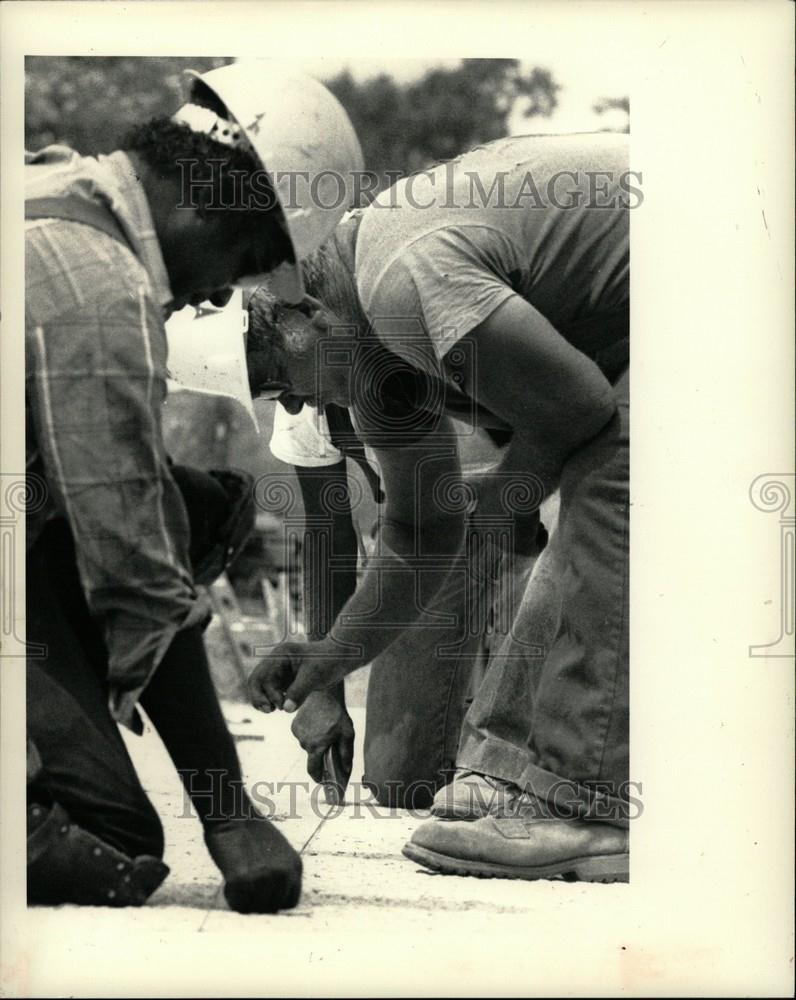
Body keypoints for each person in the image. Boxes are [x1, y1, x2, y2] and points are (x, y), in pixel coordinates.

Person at [247, 131, 631, 882]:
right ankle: (528, 772)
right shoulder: (377, 361)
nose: (291, 402)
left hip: (726, 264)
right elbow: (421, 535)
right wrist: (327, 658)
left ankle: (589, 807)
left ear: (303, 315)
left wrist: (505, 490)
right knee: (589, 484)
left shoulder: (400, 280)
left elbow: (578, 408)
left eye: (277, 375)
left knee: (610, 482)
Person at [25, 60, 363, 911]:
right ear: (202, 199)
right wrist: (229, 815)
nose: (220, 290)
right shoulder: (98, 286)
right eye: (244, 259)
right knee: (110, 841)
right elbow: (135, 559)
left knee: (203, 505)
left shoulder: (55, 180)